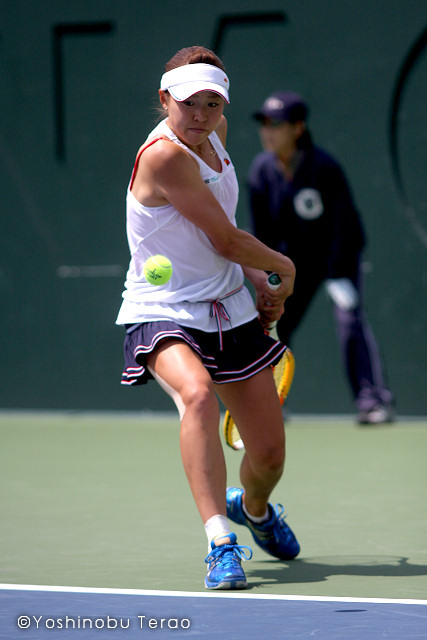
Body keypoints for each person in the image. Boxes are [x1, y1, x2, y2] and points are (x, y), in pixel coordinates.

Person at [116, 47, 300, 590]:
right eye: (187, 103)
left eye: (212, 103)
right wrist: (283, 268)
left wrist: (254, 282)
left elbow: (218, 233)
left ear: (223, 106)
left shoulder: (213, 135)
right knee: (196, 395)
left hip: (228, 307)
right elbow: (225, 238)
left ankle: (255, 509)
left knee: (268, 457)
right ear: (164, 99)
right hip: (164, 309)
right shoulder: (164, 157)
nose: (199, 115)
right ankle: (221, 542)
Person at [248, 91, 394, 424]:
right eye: (264, 124)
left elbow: (345, 226)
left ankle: (373, 402)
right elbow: (262, 233)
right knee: (274, 324)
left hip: (336, 259)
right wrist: (270, 276)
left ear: (298, 128)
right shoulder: (260, 171)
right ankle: (270, 402)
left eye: (276, 124)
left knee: (350, 320)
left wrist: (338, 275)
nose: (267, 131)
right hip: (291, 264)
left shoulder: (324, 167)